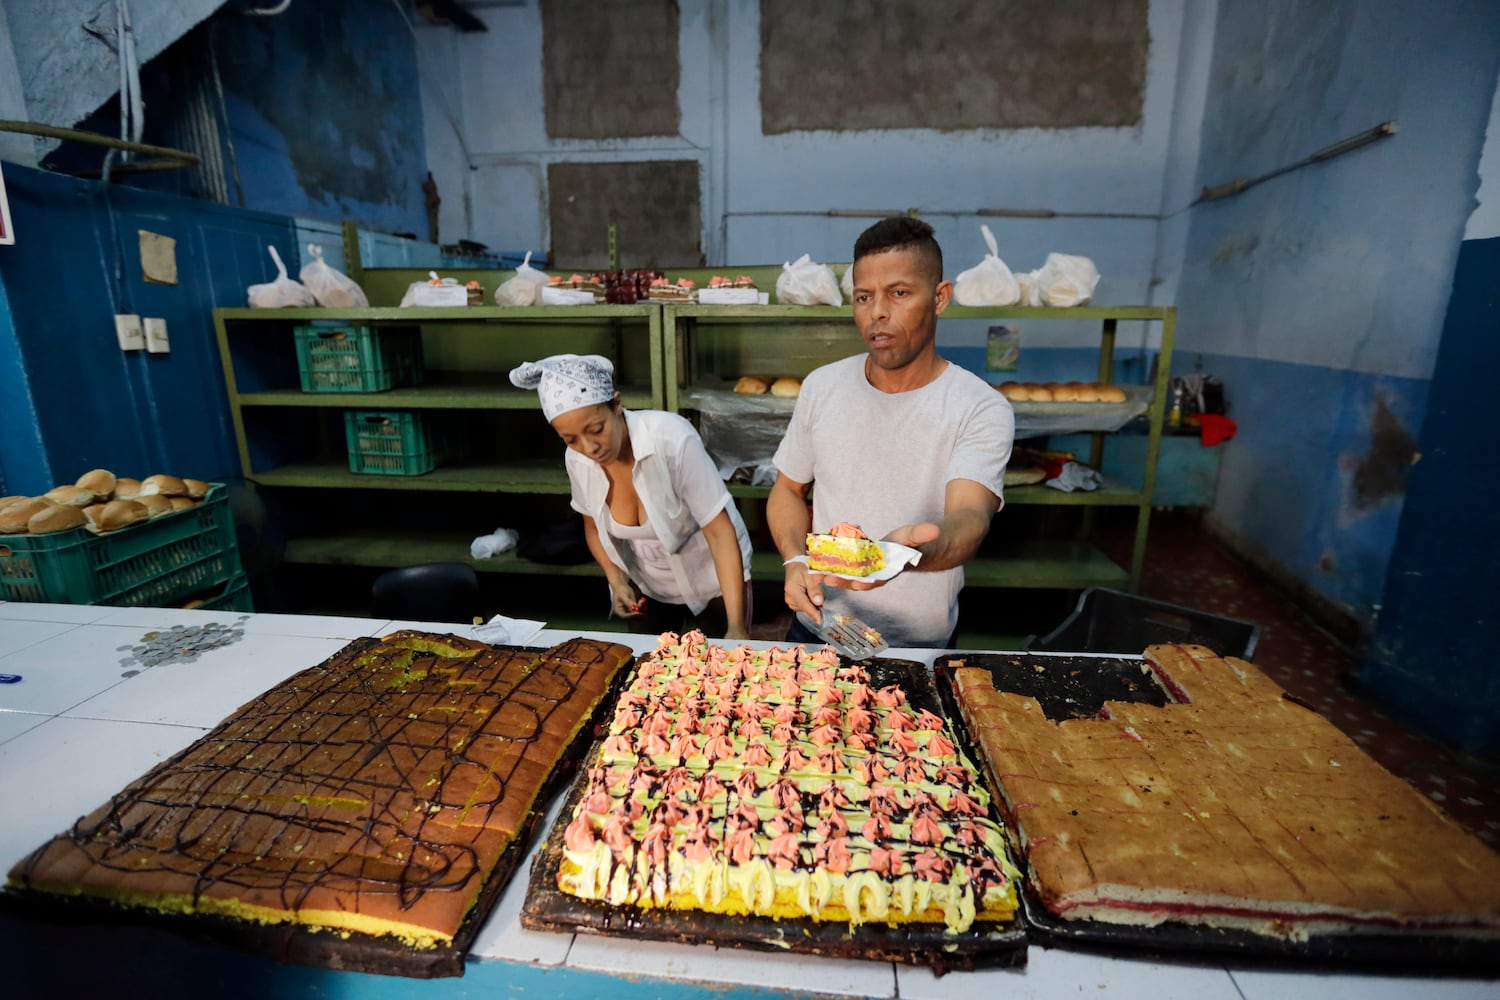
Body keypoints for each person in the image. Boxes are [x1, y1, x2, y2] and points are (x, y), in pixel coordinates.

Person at [768, 217, 1014, 648]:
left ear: (940, 298)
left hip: (918, 646)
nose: (877, 312)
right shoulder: (823, 387)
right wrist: (794, 559)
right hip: (819, 627)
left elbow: (970, 518)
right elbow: (787, 490)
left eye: (899, 293)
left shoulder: (979, 407)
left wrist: (902, 554)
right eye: (864, 297)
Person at [510, 353, 752, 640]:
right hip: (648, 585)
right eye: (570, 439)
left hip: (714, 580)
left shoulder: (672, 440)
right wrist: (616, 580)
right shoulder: (577, 461)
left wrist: (736, 626)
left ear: (616, 404)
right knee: (647, 663)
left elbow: (719, 533)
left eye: (596, 430)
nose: (589, 448)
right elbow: (592, 528)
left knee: (721, 661)